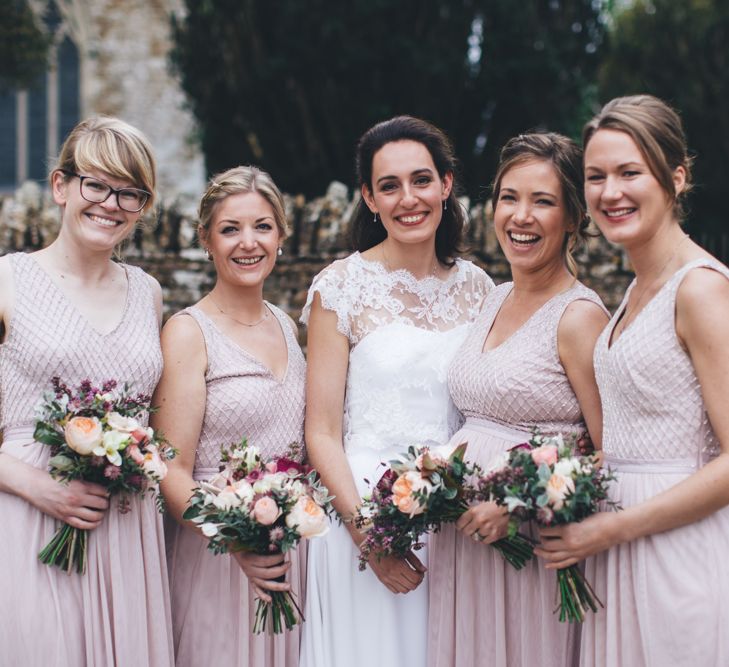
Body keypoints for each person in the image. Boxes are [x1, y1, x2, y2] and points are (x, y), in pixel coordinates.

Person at [536, 94, 729, 666]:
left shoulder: (700, 290)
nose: (610, 192)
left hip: (677, 555)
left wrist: (611, 531)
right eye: (596, 177)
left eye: (629, 172)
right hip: (615, 554)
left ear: (676, 176)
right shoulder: (631, 294)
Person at [299, 116, 493, 667]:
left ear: (447, 184)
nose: (408, 198)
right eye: (389, 185)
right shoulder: (341, 287)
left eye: (421, 180)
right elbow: (321, 431)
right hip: (364, 513)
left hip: (453, 514)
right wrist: (370, 539)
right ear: (369, 197)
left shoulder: (480, 289)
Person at [427, 132, 608, 667]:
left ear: (574, 217)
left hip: (529, 549)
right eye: (509, 197)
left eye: (543, 201)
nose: (521, 217)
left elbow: (607, 455)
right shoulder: (493, 295)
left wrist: (515, 507)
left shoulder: (580, 319)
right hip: (462, 542)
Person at [0, 116, 173, 665]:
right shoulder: (8, 282)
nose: (111, 203)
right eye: (97, 184)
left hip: (126, 527)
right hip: (31, 517)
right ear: (60, 187)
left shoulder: (148, 293)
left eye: (130, 192)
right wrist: (39, 487)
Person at [151, 166, 306, 667]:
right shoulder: (187, 332)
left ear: (281, 234)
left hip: (290, 559)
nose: (248, 243)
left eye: (262, 226)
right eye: (230, 229)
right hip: (216, 558)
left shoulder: (286, 323)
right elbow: (170, 470)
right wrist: (234, 538)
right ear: (206, 240)